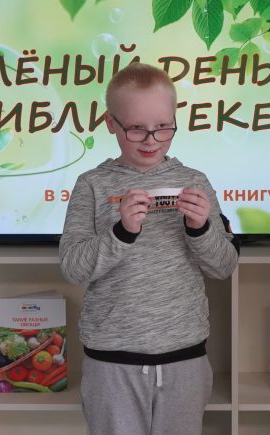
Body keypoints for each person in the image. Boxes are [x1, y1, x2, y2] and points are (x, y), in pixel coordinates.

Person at [59, 62, 239, 435]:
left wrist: (201, 228)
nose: (151, 140)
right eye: (136, 128)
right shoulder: (91, 185)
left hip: (185, 360)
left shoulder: (195, 181)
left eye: (163, 127)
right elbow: (73, 268)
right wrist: (121, 232)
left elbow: (223, 266)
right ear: (110, 123)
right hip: (111, 363)